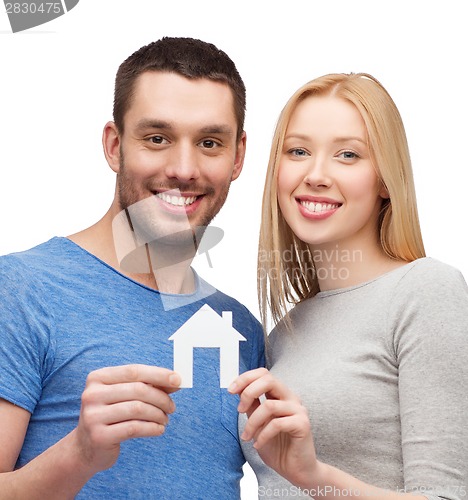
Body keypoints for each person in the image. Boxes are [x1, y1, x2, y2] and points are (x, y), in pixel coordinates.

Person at [0, 37, 264, 498]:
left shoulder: (241, 329)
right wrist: (78, 453)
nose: (184, 168)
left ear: (237, 156)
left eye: (209, 142)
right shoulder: (20, 290)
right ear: (114, 144)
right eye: (157, 138)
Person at [229, 73, 468, 498]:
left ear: (384, 180)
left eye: (348, 154)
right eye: (298, 151)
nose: (316, 174)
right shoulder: (285, 332)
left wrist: (316, 478)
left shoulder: (426, 292)